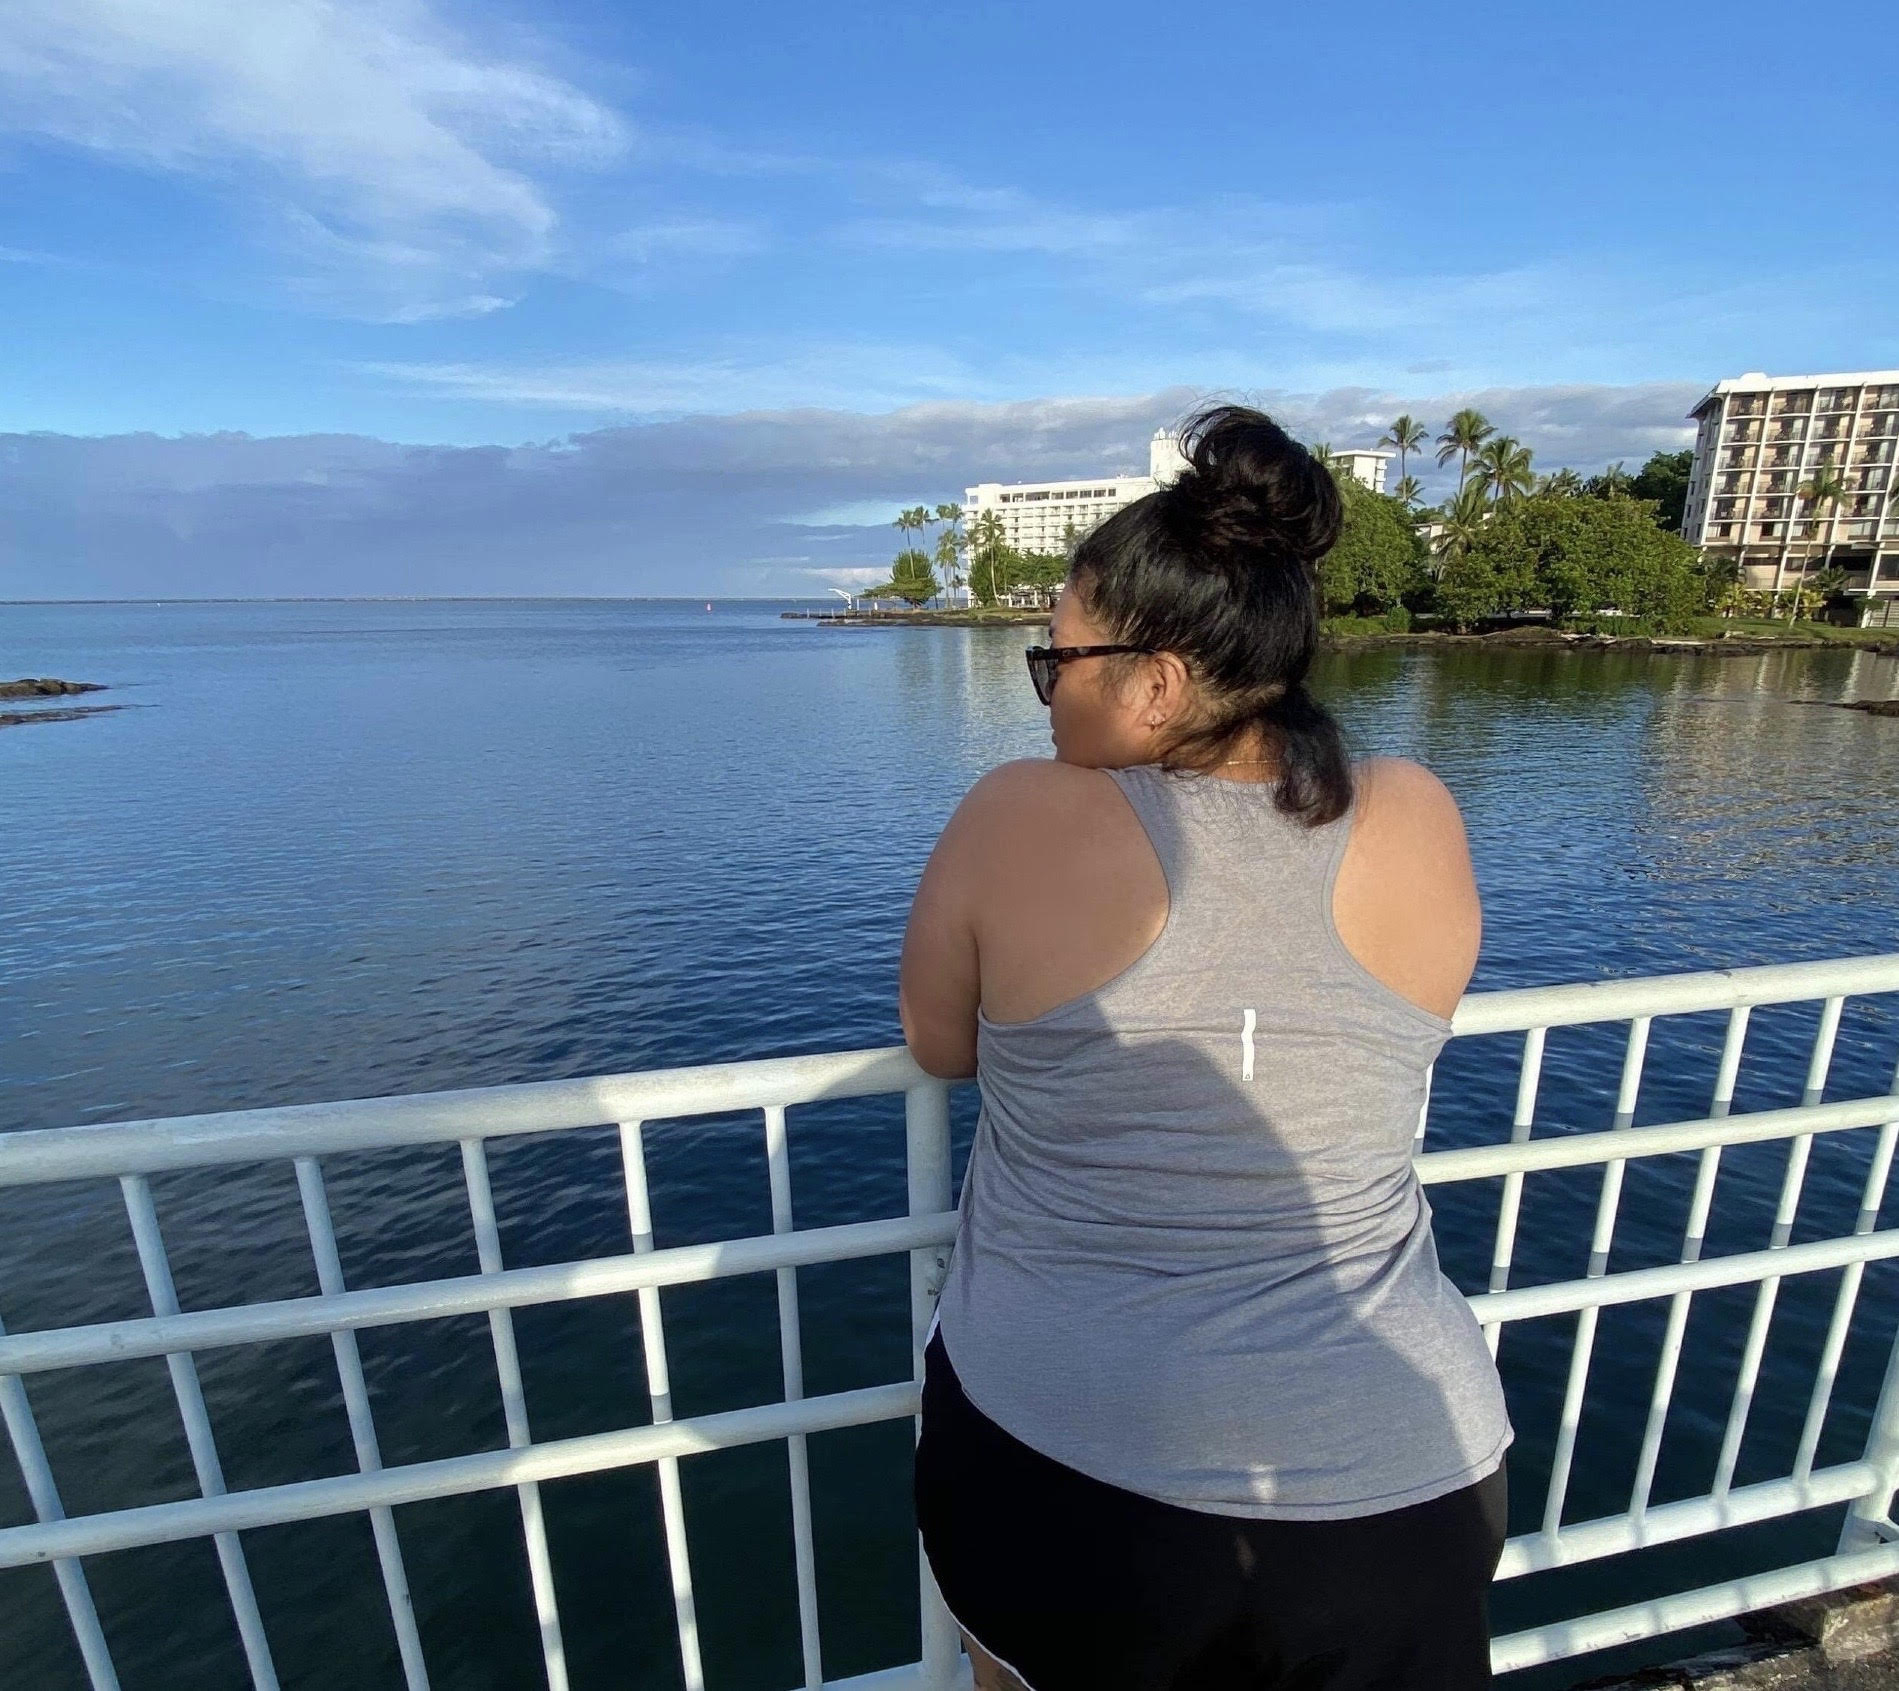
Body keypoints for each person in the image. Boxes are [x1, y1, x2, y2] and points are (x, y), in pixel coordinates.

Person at [897, 405, 1512, 1691]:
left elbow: (937, 1040)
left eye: (1054, 657)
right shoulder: (1413, 808)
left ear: (1159, 680)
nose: (1045, 684)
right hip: (1405, 1480)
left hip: (1078, 1472)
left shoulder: (1018, 813)